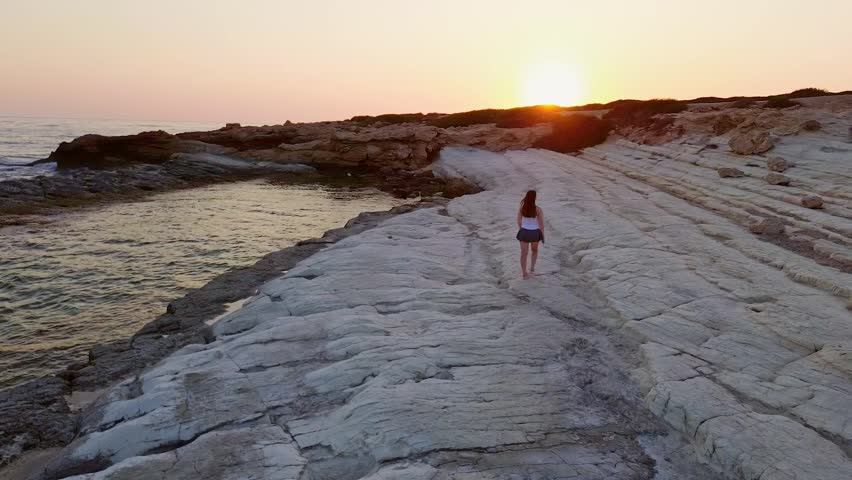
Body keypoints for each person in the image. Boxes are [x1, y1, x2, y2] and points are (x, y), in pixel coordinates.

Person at [516, 190, 544, 279]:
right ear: (535, 198)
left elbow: (519, 221)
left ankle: (524, 273)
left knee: (523, 253)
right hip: (535, 233)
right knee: (534, 250)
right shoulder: (538, 209)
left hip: (524, 232)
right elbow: (541, 224)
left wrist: (522, 229)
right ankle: (532, 268)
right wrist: (542, 235)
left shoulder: (522, 208)